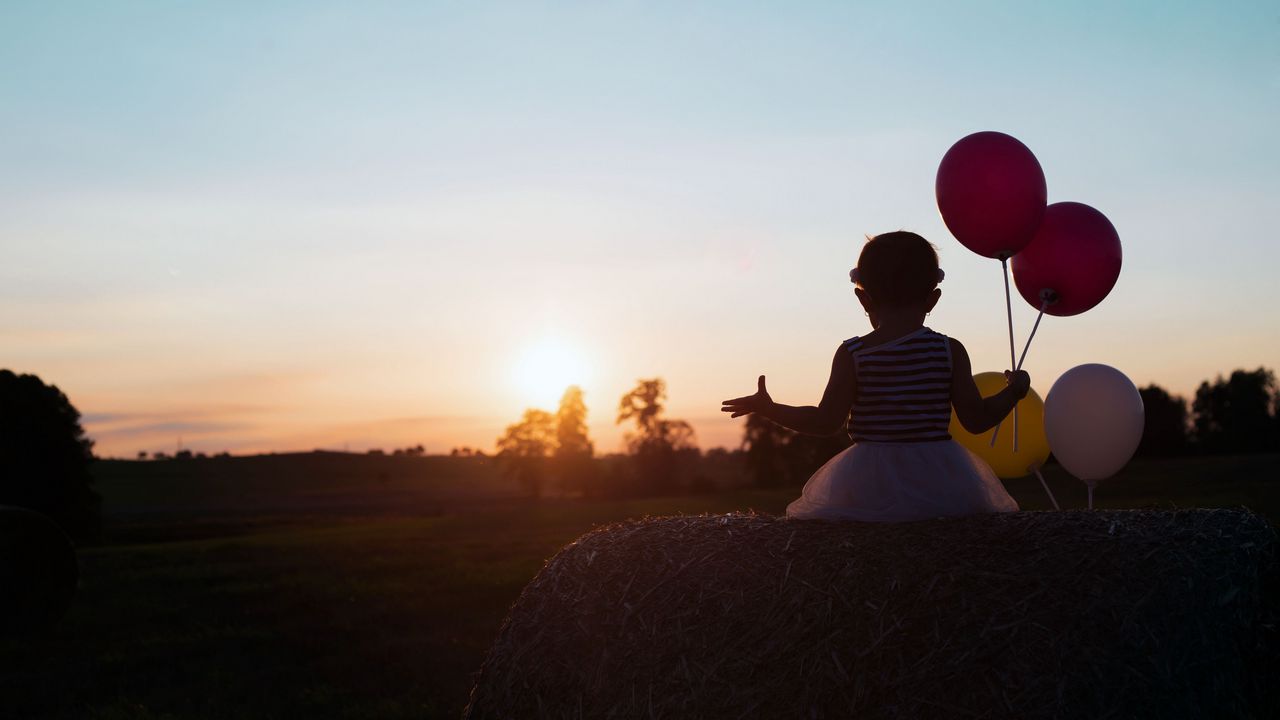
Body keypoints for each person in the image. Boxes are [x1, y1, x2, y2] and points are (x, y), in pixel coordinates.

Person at [721, 231, 1025, 521]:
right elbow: (976, 420)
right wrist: (1013, 392)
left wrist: (769, 409)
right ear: (933, 298)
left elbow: (825, 422)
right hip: (941, 480)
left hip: (868, 483)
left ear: (863, 300)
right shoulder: (949, 351)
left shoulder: (854, 354)